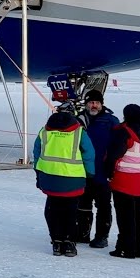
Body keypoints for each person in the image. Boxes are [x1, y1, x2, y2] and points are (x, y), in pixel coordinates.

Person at [33, 110, 96, 257]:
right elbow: (89, 155)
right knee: (71, 212)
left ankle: (56, 241)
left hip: (50, 179)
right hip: (73, 180)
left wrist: (38, 174)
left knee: (52, 210)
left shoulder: (44, 132)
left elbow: (37, 153)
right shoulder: (79, 133)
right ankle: (69, 243)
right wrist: (90, 175)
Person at [106, 104, 140, 259]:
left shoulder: (124, 131)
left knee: (125, 216)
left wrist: (109, 172)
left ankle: (125, 249)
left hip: (123, 178)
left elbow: (114, 155)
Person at [77, 90, 118, 248]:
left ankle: (102, 236)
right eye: (91, 102)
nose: (94, 105)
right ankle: (82, 233)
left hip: (103, 171)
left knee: (104, 206)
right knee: (83, 205)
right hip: (83, 171)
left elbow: (119, 145)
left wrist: (112, 166)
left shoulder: (111, 121)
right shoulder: (79, 120)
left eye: (97, 103)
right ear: (86, 104)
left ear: (102, 104)